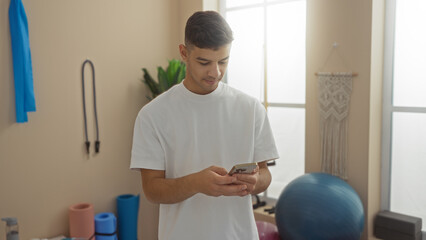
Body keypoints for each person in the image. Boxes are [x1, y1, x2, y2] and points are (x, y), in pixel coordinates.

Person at [130, 11, 279, 240]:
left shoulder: (251, 109)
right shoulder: (153, 115)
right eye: (204, 62)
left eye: (223, 61)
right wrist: (196, 183)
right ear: (183, 53)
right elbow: (152, 189)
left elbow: (265, 174)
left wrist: (255, 181)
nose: (215, 72)